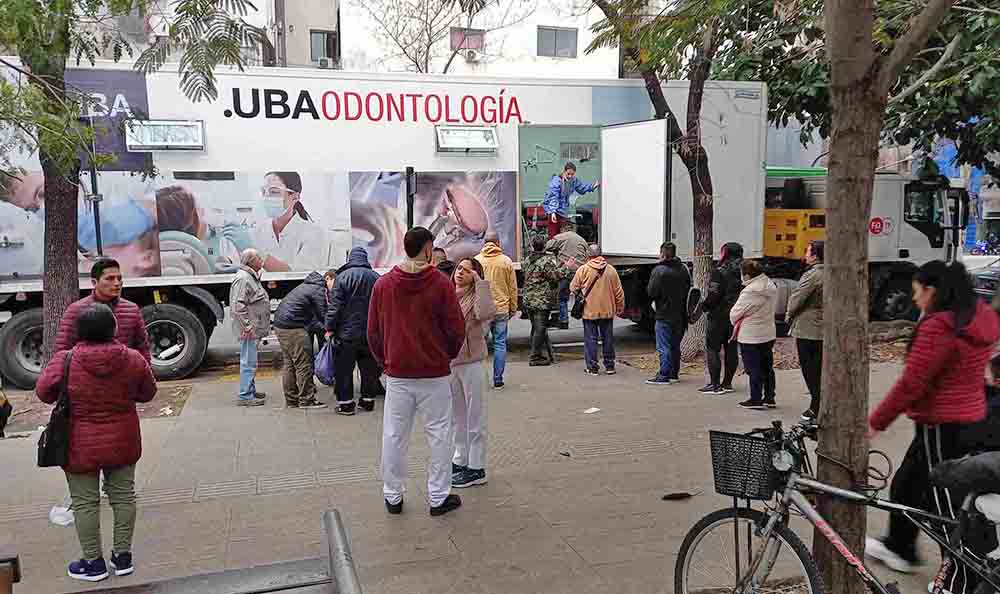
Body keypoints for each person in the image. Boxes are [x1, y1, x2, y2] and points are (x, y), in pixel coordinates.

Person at [866, 261, 999, 594]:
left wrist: (876, 423)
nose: (915, 299)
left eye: (916, 292)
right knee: (920, 492)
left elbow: (912, 383)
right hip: (962, 419)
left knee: (944, 507)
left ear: (932, 290)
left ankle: (962, 579)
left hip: (944, 424)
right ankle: (908, 549)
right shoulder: (974, 314)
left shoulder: (942, 324)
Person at [37, 303, 157, 582]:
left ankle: (93, 563)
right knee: (124, 496)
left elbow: (44, 391)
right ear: (113, 328)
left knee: (85, 503)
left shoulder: (66, 359)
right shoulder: (133, 358)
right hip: (123, 439)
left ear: (80, 331)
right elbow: (148, 392)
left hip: (78, 442)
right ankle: (123, 557)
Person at [368, 227, 466, 517]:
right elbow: (455, 328)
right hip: (434, 374)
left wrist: (386, 362)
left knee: (394, 435)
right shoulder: (440, 283)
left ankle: (393, 496)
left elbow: (372, 332)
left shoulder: (383, 285)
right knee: (439, 435)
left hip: (398, 374)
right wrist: (445, 355)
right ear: (427, 249)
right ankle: (438, 497)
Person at [223, 171, 333, 272]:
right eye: (263, 192)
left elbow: (298, 276)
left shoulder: (314, 233)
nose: (266, 197)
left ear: (295, 197)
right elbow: (232, 265)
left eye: (274, 192)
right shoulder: (255, 232)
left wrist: (256, 253)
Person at [449, 257, 496, 488]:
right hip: (451, 363)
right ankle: (461, 459)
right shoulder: (448, 294)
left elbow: (486, 312)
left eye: (467, 271)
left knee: (474, 415)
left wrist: (480, 283)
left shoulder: (476, 296)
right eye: (459, 269)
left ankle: (477, 468)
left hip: (471, 361)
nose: (460, 273)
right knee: (458, 416)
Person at [55, 258, 150, 364]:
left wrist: (146, 377)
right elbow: (63, 351)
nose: (117, 283)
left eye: (119, 278)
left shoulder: (132, 310)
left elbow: (143, 349)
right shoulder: (76, 310)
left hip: (122, 376)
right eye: (110, 278)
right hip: (87, 375)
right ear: (94, 282)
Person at [326, 247, 383, 416]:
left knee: (344, 370)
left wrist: (329, 327)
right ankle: (367, 401)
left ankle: (346, 405)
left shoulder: (342, 278)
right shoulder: (376, 278)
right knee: (369, 369)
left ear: (350, 259)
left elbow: (335, 308)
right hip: (370, 334)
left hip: (346, 335)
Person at [273, 272, 329, 410]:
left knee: (289, 364)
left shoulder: (304, 286)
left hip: (280, 325)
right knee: (304, 364)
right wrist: (331, 329)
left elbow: (314, 319)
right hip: (294, 328)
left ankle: (291, 401)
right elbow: (323, 315)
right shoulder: (318, 290)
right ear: (326, 280)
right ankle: (307, 400)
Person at [730, 260, 777, 410]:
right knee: (767, 366)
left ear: (748, 275)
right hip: (768, 332)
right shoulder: (770, 285)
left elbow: (736, 313)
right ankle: (769, 397)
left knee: (753, 368)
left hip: (751, 335)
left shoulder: (751, 291)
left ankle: (755, 398)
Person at [570, 244, 625, 376]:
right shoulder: (611, 270)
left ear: (588, 255)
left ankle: (592, 367)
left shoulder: (583, 269)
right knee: (608, 338)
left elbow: (573, 287)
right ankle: (610, 366)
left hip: (590, 311)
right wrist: (620, 307)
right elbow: (619, 292)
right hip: (607, 311)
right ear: (601, 254)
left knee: (591, 339)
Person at [786, 240, 824, 421]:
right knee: (820, 369)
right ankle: (819, 404)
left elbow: (798, 298)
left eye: (808, 252)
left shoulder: (813, 275)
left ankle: (816, 406)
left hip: (808, 328)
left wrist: (788, 315)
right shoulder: (833, 272)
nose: (805, 255)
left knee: (810, 370)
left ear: (815, 255)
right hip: (824, 327)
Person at [475, 231, 518, 390]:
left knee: (480, 345)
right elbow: (512, 288)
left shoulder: (476, 261)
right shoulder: (506, 261)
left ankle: (479, 380)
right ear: (498, 243)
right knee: (500, 344)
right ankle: (498, 379)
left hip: (483, 310)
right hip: (501, 309)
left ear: (484, 243)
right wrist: (513, 308)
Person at [699, 242, 743, 395]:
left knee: (713, 348)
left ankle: (715, 384)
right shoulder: (743, 271)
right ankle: (727, 383)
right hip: (736, 315)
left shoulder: (719, 271)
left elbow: (714, 294)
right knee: (731, 349)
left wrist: (704, 306)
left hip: (718, 315)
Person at [645, 242, 691, 385]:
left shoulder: (659, 270)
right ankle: (673, 373)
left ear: (663, 254)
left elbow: (651, 292)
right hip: (680, 313)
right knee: (675, 345)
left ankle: (663, 374)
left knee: (663, 346)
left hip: (664, 313)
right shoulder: (683, 268)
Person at [229, 249, 271, 406]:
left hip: (253, 328)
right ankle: (245, 395)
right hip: (249, 330)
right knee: (248, 361)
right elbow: (236, 307)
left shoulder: (251, 277)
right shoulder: (243, 278)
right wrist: (247, 328)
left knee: (251, 360)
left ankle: (250, 390)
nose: (261, 259)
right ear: (251, 261)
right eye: (258, 257)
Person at [523, 235, 569, 366]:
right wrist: (567, 267)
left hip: (529, 299)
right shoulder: (546, 261)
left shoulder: (527, 260)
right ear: (544, 246)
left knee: (536, 327)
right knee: (540, 328)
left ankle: (538, 353)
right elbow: (556, 276)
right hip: (541, 301)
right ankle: (535, 356)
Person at [546, 223, 589, 328]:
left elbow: (546, 246)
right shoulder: (582, 240)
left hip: (566, 272)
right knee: (581, 296)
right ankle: (585, 317)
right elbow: (587, 255)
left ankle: (563, 321)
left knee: (562, 297)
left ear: (563, 229)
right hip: (580, 272)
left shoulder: (560, 237)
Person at [542, 162, 599, 240]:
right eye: (568, 174)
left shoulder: (573, 180)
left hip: (563, 210)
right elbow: (553, 197)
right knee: (553, 234)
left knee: (563, 235)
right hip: (554, 210)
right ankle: (552, 250)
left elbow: (581, 188)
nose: (570, 176)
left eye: (572, 174)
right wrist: (552, 212)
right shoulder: (557, 181)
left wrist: (592, 187)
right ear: (564, 171)